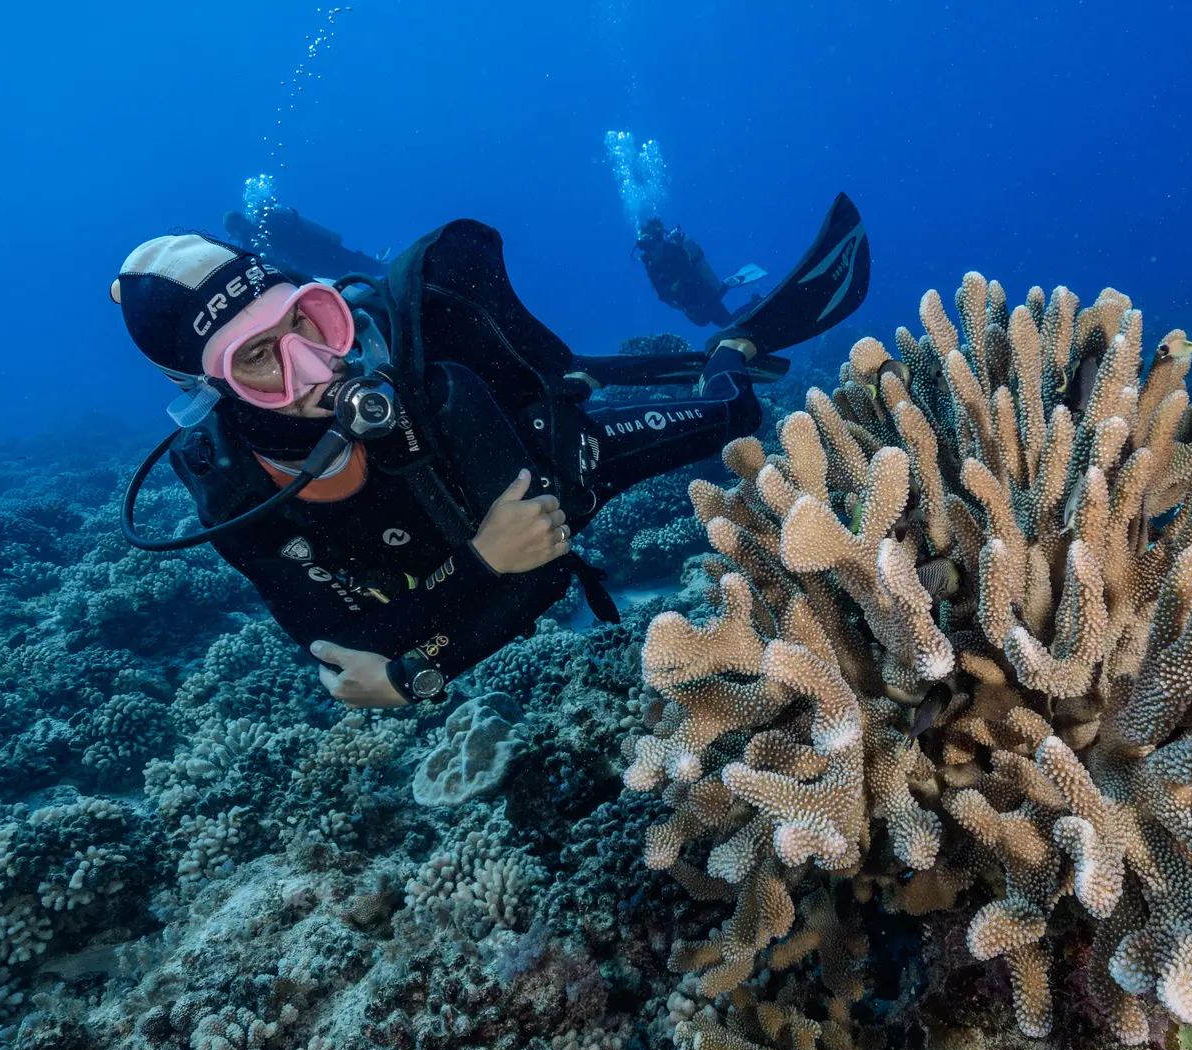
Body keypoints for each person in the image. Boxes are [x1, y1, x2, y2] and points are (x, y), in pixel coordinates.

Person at [113, 196, 868, 708]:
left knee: (732, 412)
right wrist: (476, 570)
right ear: (205, 388)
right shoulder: (234, 490)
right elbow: (341, 650)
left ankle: (730, 345)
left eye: (309, 322)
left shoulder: (433, 390)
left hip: (559, 461)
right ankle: (598, 370)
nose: (316, 370)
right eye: (258, 360)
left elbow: (537, 572)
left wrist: (415, 669)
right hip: (473, 523)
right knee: (586, 388)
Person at [634, 217, 766, 328]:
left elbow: (689, 275)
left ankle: (756, 303)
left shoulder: (675, 253)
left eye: (649, 245)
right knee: (720, 323)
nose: (648, 251)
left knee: (728, 324)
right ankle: (733, 293)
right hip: (691, 306)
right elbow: (662, 294)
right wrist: (682, 307)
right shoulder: (650, 265)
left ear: (659, 241)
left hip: (704, 296)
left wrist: (678, 288)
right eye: (643, 247)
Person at [225, 203, 390, 282]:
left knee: (354, 272)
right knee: (351, 276)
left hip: (317, 253)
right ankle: (385, 271)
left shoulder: (266, 221)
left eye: (235, 231)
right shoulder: (252, 242)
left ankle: (389, 270)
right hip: (313, 259)